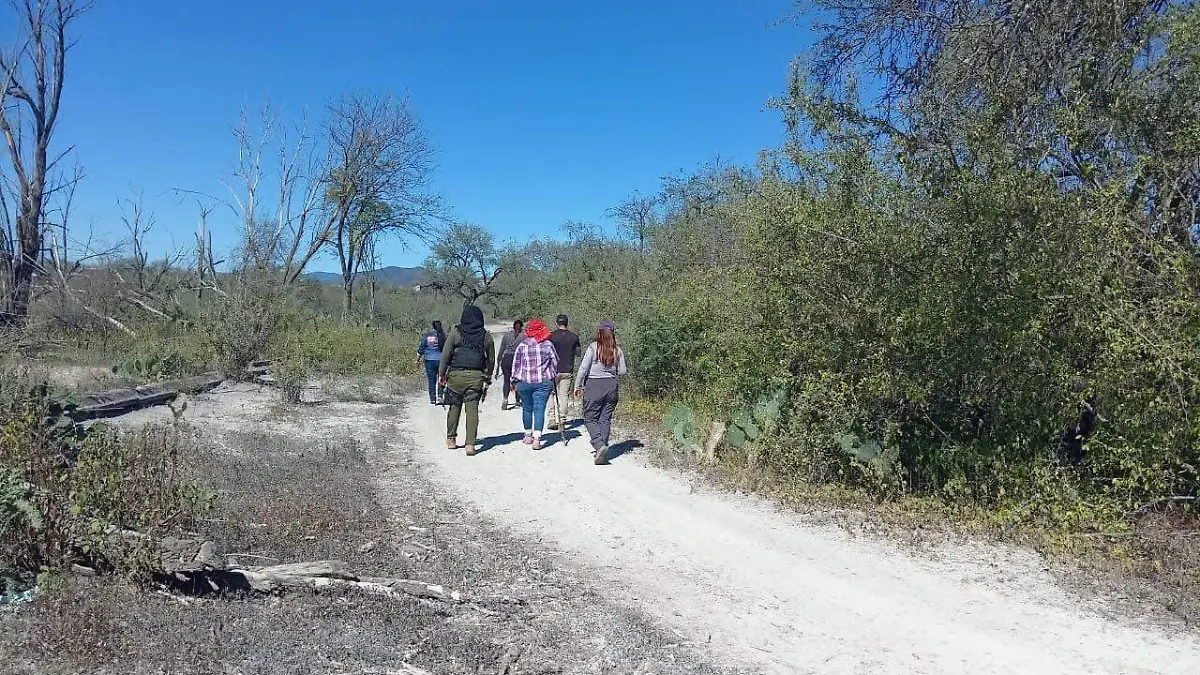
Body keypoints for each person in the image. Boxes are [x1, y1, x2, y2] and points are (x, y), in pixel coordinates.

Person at [437, 306, 495, 456]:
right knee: (472, 411)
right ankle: (470, 444)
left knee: (454, 408)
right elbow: (491, 359)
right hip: (476, 377)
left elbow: (445, 356)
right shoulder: (486, 336)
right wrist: (488, 375)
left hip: (456, 376)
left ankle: (451, 439)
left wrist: (441, 375)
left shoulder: (456, 333)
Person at [573, 320, 627, 465]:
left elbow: (583, 368)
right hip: (611, 386)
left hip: (594, 385)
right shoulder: (618, 350)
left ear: (599, 332)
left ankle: (598, 444)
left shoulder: (593, 347)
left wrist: (577, 386)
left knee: (590, 418)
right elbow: (622, 371)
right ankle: (602, 448)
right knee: (605, 418)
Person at [511, 318, 559, 449]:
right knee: (539, 409)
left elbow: (516, 365)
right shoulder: (548, 345)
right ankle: (537, 439)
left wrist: (513, 381)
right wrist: (551, 375)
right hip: (543, 382)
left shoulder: (522, 346)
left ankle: (528, 435)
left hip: (524, 382)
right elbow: (555, 363)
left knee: (527, 408)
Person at [546, 314, 580, 431]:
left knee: (551, 394)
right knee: (564, 396)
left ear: (557, 323)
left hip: (553, 370)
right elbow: (578, 353)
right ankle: (562, 420)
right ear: (567, 323)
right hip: (567, 370)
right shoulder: (574, 337)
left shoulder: (551, 336)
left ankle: (551, 419)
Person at [494, 319, 524, 411]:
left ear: (513, 326)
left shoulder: (506, 335)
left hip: (506, 359)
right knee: (518, 381)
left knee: (506, 381)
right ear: (521, 327)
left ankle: (505, 400)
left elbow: (501, 351)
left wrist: (498, 366)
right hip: (518, 360)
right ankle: (517, 400)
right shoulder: (524, 336)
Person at [416, 320, 445, 404]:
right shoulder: (442, 336)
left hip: (429, 360)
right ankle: (440, 396)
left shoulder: (427, 336)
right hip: (441, 360)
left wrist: (417, 359)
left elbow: (421, 348)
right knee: (441, 378)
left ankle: (433, 398)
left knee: (431, 380)